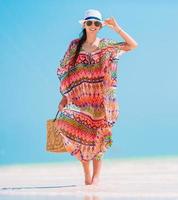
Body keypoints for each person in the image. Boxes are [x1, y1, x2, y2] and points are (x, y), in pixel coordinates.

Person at [55, 9, 138, 186]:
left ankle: (97, 176)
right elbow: (64, 71)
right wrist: (64, 97)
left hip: (101, 99)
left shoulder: (106, 45)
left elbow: (132, 45)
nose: (93, 26)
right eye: (90, 23)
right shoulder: (74, 46)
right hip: (79, 99)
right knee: (80, 136)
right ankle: (86, 175)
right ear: (84, 24)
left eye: (96, 23)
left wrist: (116, 28)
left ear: (100, 26)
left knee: (98, 137)